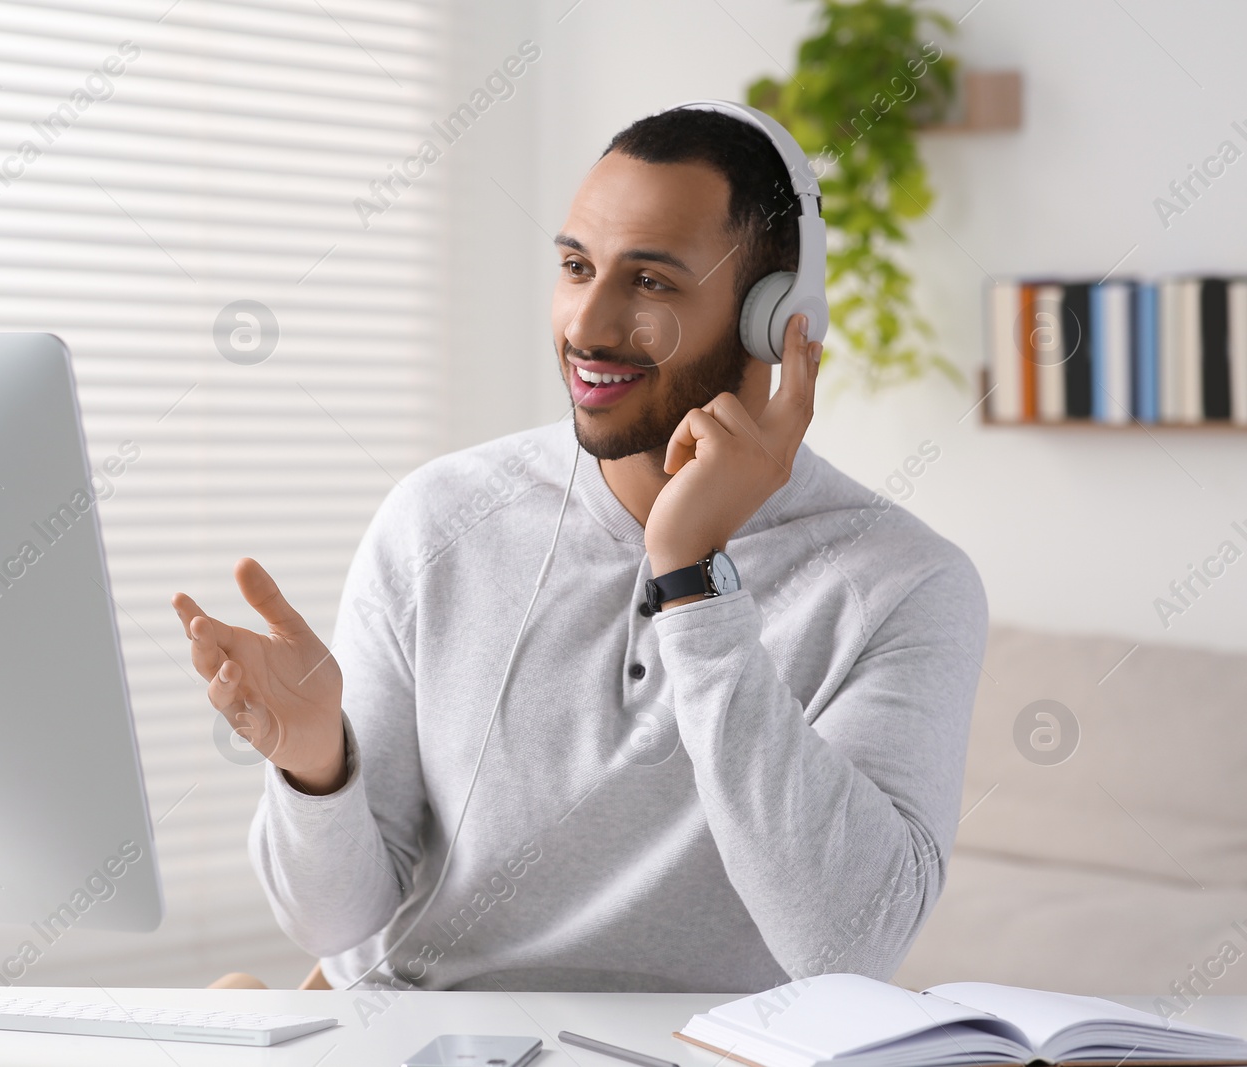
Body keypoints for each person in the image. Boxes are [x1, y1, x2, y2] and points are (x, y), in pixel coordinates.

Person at [172, 104, 987, 993]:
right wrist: (315, 766)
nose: (588, 326)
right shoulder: (437, 519)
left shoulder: (904, 584)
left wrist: (694, 579)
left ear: (774, 317)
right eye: (575, 267)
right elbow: (333, 924)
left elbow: (847, 948)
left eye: (651, 282)